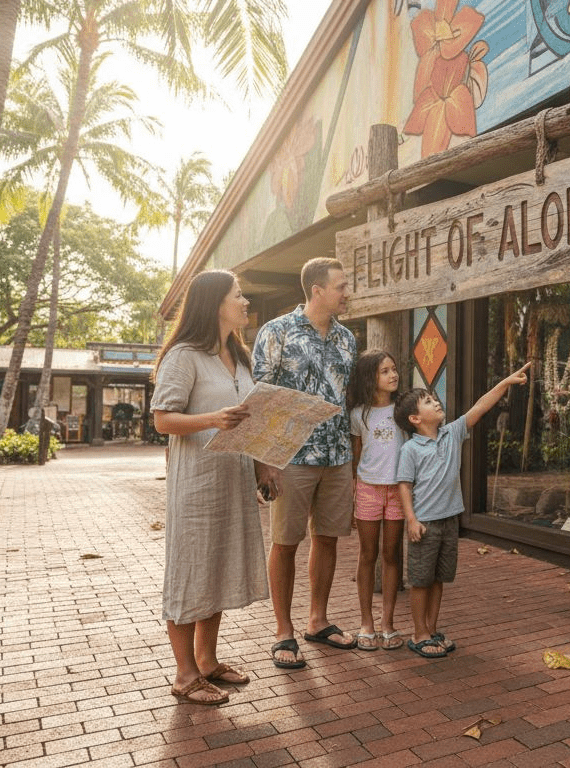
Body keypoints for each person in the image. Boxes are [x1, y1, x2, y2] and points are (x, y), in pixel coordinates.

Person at [150, 269, 271, 705]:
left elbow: (249, 417)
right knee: (190, 574)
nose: (245, 302)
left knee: (215, 569)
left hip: (233, 480)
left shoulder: (240, 358)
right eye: (238, 295)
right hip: (197, 485)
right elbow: (163, 418)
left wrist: (263, 467)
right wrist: (213, 419)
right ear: (215, 302)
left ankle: (207, 661)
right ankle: (184, 675)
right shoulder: (183, 356)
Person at [252, 257, 358, 669]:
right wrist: (266, 461)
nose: (347, 293)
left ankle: (318, 620)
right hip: (291, 455)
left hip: (336, 456)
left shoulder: (348, 339)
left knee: (328, 537)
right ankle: (283, 631)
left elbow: (347, 399)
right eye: (341, 286)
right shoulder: (275, 332)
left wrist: (354, 457)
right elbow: (259, 396)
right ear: (317, 290)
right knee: (285, 541)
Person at [394, 363, 531, 658]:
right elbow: (404, 486)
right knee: (421, 580)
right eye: (428, 401)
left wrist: (505, 381)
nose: (436, 401)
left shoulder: (453, 433)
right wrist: (411, 520)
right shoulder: (411, 450)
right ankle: (418, 634)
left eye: (434, 398)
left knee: (440, 578)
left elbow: (481, 406)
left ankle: (431, 629)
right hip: (426, 524)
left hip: (449, 521)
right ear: (415, 418)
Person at [347, 349, 406, 651]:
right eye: (385, 371)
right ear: (371, 377)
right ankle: (366, 622)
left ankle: (388, 623)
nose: (393, 375)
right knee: (367, 555)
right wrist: (351, 496)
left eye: (394, 369)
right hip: (368, 489)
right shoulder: (358, 414)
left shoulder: (404, 410)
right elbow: (356, 457)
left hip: (398, 491)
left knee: (392, 554)